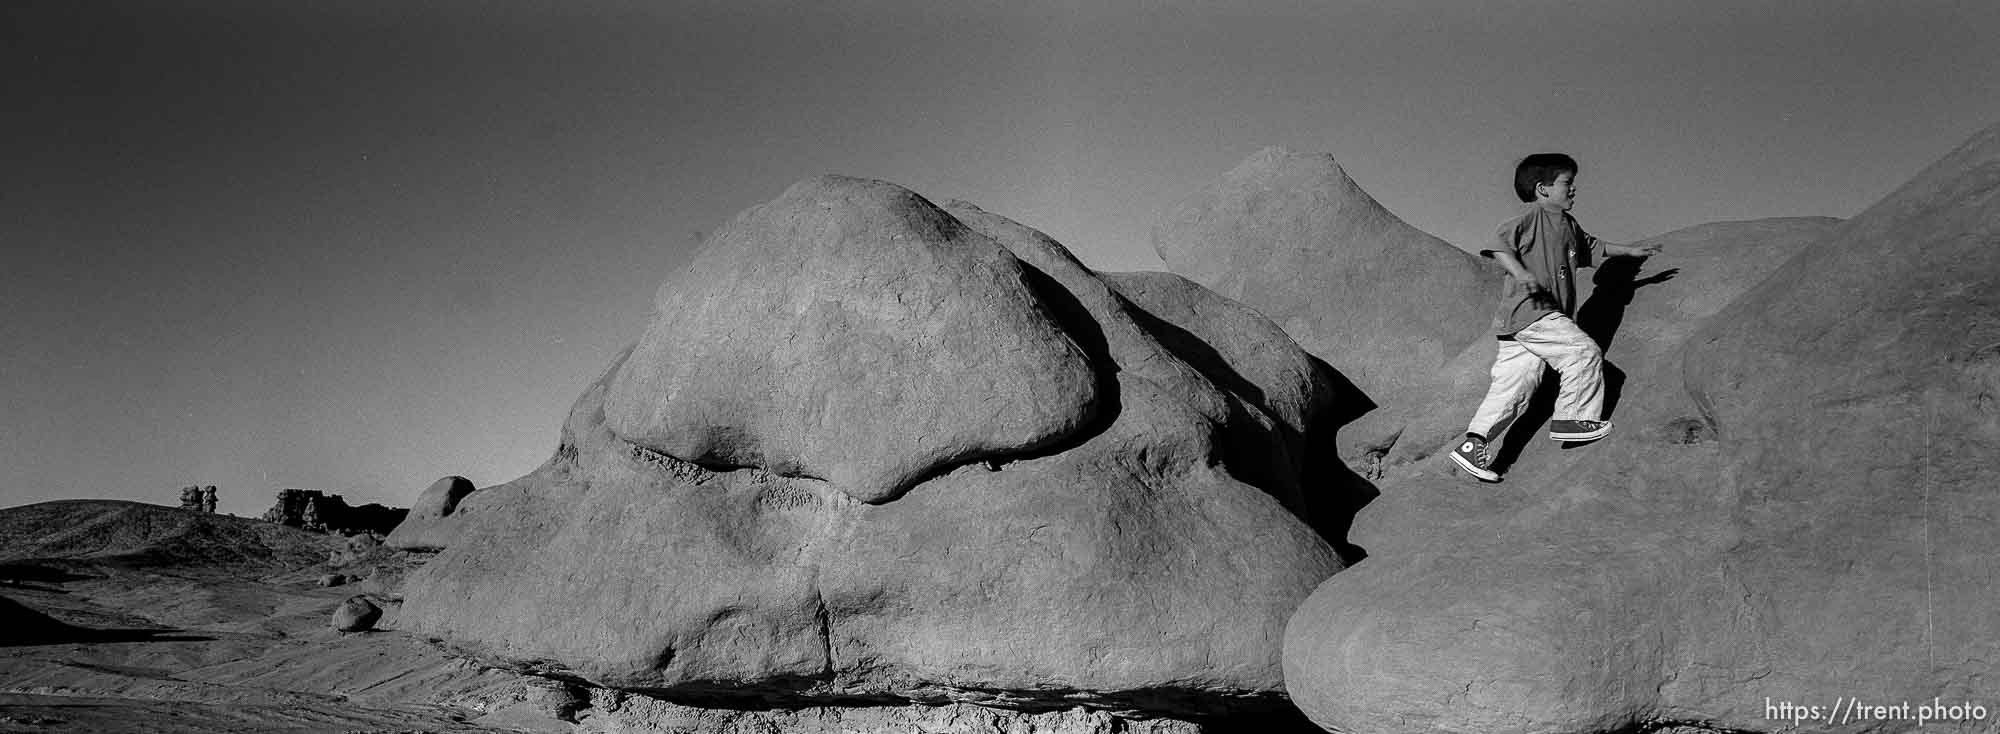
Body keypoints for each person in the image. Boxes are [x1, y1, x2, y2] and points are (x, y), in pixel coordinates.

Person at [1449, 153, 1661, 482]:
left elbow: (1595, 247)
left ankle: (1473, 444)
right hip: (1535, 311)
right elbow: (1499, 244)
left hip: (1518, 326)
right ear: (1542, 189)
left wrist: (1631, 252)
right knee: (1583, 352)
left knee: (1515, 387)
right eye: (1566, 183)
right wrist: (1521, 273)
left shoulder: (1569, 225)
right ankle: (1572, 419)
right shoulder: (1531, 217)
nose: (1573, 189)